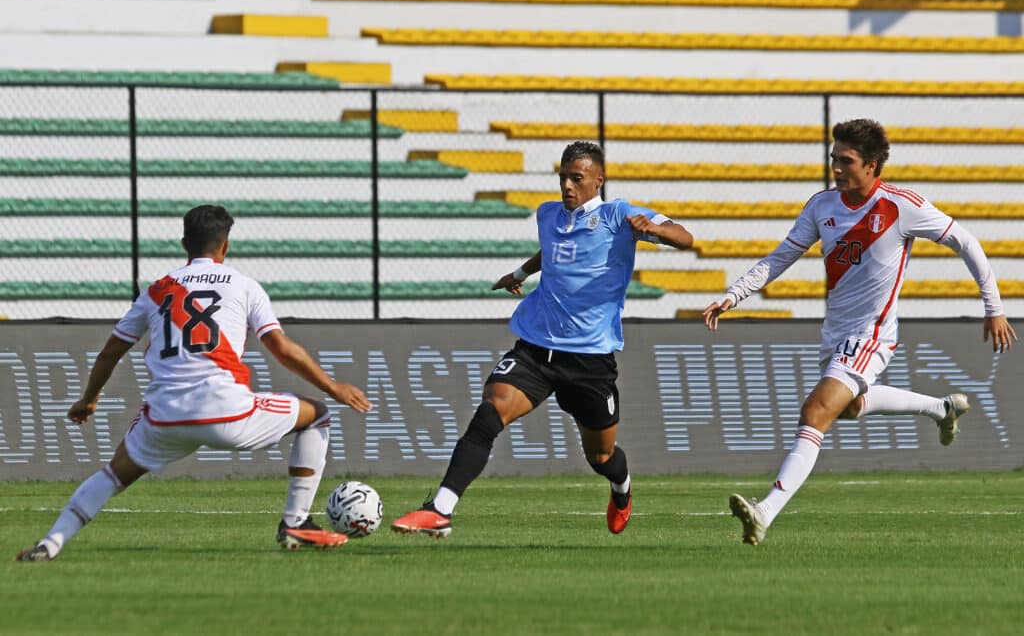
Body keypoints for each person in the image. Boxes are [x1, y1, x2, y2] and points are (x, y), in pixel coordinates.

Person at [702, 118, 1017, 546]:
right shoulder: (822, 206)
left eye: (846, 161)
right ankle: (941, 408)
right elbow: (781, 257)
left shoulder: (901, 205)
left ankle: (765, 512)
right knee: (849, 408)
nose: (835, 167)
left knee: (816, 412)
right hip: (835, 333)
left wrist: (994, 308)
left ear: (872, 165)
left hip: (871, 335)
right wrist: (733, 294)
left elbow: (966, 242)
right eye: (833, 158)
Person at [16, 205, 372, 561]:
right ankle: (295, 522)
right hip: (226, 412)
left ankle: (50, 544)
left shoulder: (156, 291)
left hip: (164, 418)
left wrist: (89, 399)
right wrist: (332, 387)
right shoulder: (244, 286)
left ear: (184, 243)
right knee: (318, 415)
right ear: (225, 245)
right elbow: (281, 348)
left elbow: (111, 352)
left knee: (112, 475)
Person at [390, 140, 694, 538]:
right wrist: (519, 274)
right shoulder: (548, 214)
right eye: (563, 177)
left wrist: (655, 230)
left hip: (589, 359)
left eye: (577, 178)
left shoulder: (618, 215)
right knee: (489, 413)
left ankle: (622, 488)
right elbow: (552, 252)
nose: (567, 185)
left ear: (598, 181)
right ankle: (440, 509)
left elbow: (685, 237)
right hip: (536, 347)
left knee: (601, 456)